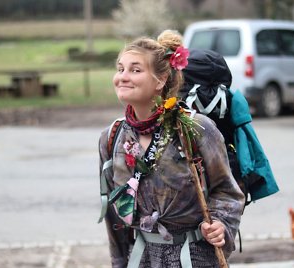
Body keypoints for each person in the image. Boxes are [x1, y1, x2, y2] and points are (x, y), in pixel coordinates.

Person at [98, 29, 245, 268]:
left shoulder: (196, 128)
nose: (123, 77)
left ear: (161, 80)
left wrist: (221, 224)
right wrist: (119, 263)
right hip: (142, 258)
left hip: (194, 256)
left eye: (135, 70)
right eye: (120, 68)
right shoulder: (111, 137)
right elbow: (114, 217)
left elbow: (227, 191)